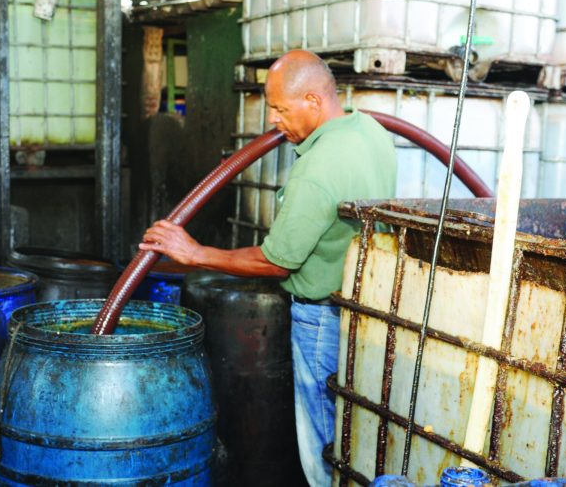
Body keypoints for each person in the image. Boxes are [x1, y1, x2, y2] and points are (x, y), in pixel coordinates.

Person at [140, 49, 396, 487]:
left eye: (280, 108)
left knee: (323, 446)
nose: (273, 120)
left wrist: (196, 252)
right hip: (369, 313)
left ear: (313, 101)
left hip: (323, 319)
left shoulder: (317, 168)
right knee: (360, 435)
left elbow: (276, 261)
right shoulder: (370, 132)